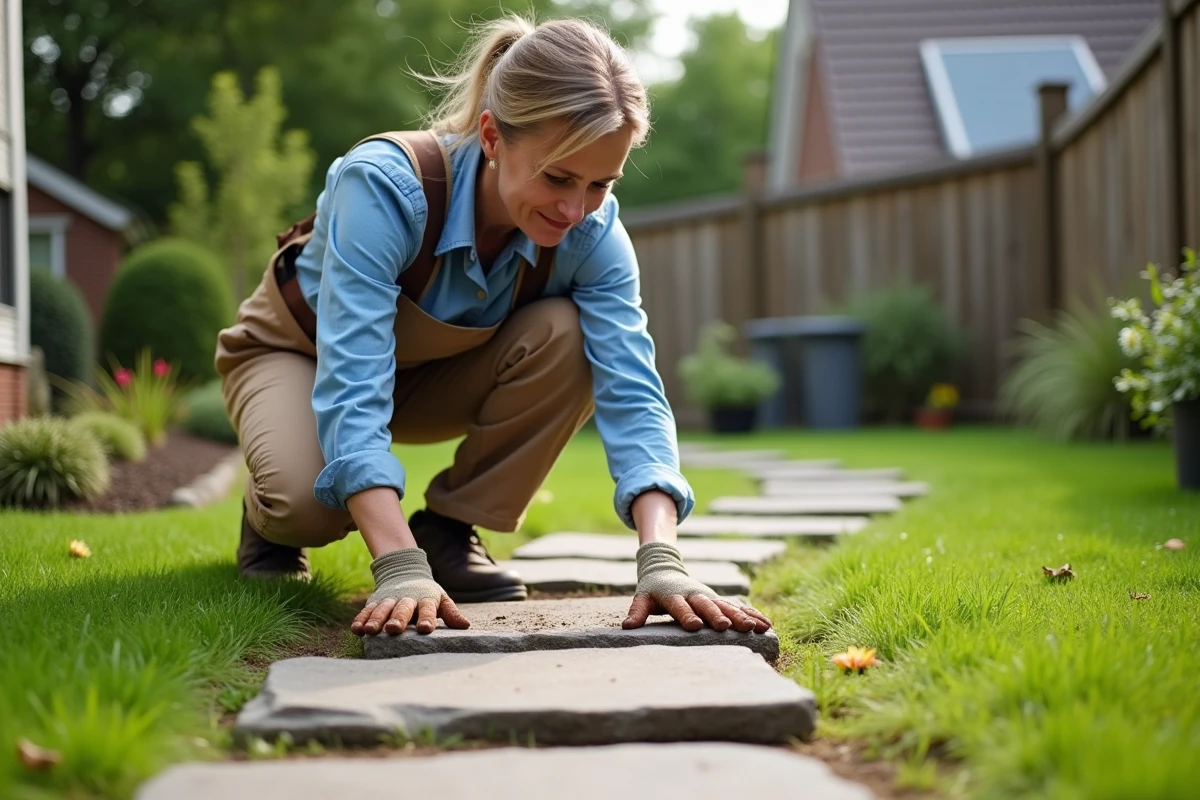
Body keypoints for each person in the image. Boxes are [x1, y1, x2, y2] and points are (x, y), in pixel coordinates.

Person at [214, 13, 773, 639]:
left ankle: (449, 531)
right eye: (558, 177)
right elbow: (351, 383)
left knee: (573, 335)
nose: (575, 208)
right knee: (306, 508)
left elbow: (634, 391)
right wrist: (398, 569)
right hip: (298, 354)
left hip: (430, 377)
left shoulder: (592, 233)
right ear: (491, 136)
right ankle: (269, 520)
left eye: (599, 183)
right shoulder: (385, 188)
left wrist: (663, 561)